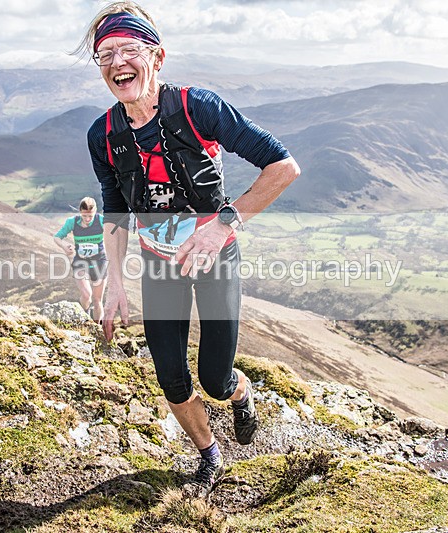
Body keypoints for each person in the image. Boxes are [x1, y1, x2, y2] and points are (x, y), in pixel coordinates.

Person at [77, 1, 300, 498]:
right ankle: (209, 456)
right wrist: (115, 283)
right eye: (105, 55)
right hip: (159, 263)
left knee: (215, 379)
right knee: (172, 378)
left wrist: (223, 225)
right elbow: (116, 209)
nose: (117, 63)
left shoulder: (198, 108)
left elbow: (283, 167)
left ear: (157, 56)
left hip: (215, 256)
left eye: (129, 49)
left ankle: (240, 394)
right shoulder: (104, 135)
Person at [53, 197, 108, 321]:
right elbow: (57, 237)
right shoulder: (72, 222)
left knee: (97, 300)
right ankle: (85, 318)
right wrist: (64, 246)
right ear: (80, 212)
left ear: (95, 211)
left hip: (99, 262)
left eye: (90, 216)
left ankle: (97, 326)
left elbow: (114, 235)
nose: (87, 219)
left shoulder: (101, 220)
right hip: (81, 262)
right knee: (86, 294)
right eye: (84, 216)